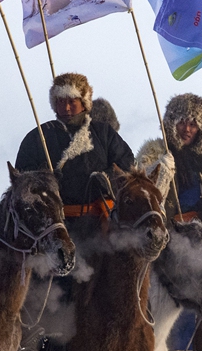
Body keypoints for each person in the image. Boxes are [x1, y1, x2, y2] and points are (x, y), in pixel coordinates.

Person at [14, 72, 135, 234]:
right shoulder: (38, 137)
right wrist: (46, 181)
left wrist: (105, 179)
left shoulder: (103, 133)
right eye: (61, 102)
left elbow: (126, 164)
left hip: (103, 224)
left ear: (84, 103)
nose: (66, 108)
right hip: (55, 226)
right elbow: (23, 177)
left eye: (72, 101)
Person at [136, 93, 202, 228]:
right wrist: (160, 168)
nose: (187, 129)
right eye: (181, 122)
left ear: (201, 130)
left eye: (193, 124)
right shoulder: (153, 152)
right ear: (171, 125)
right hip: (164, 228)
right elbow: (139, 190)